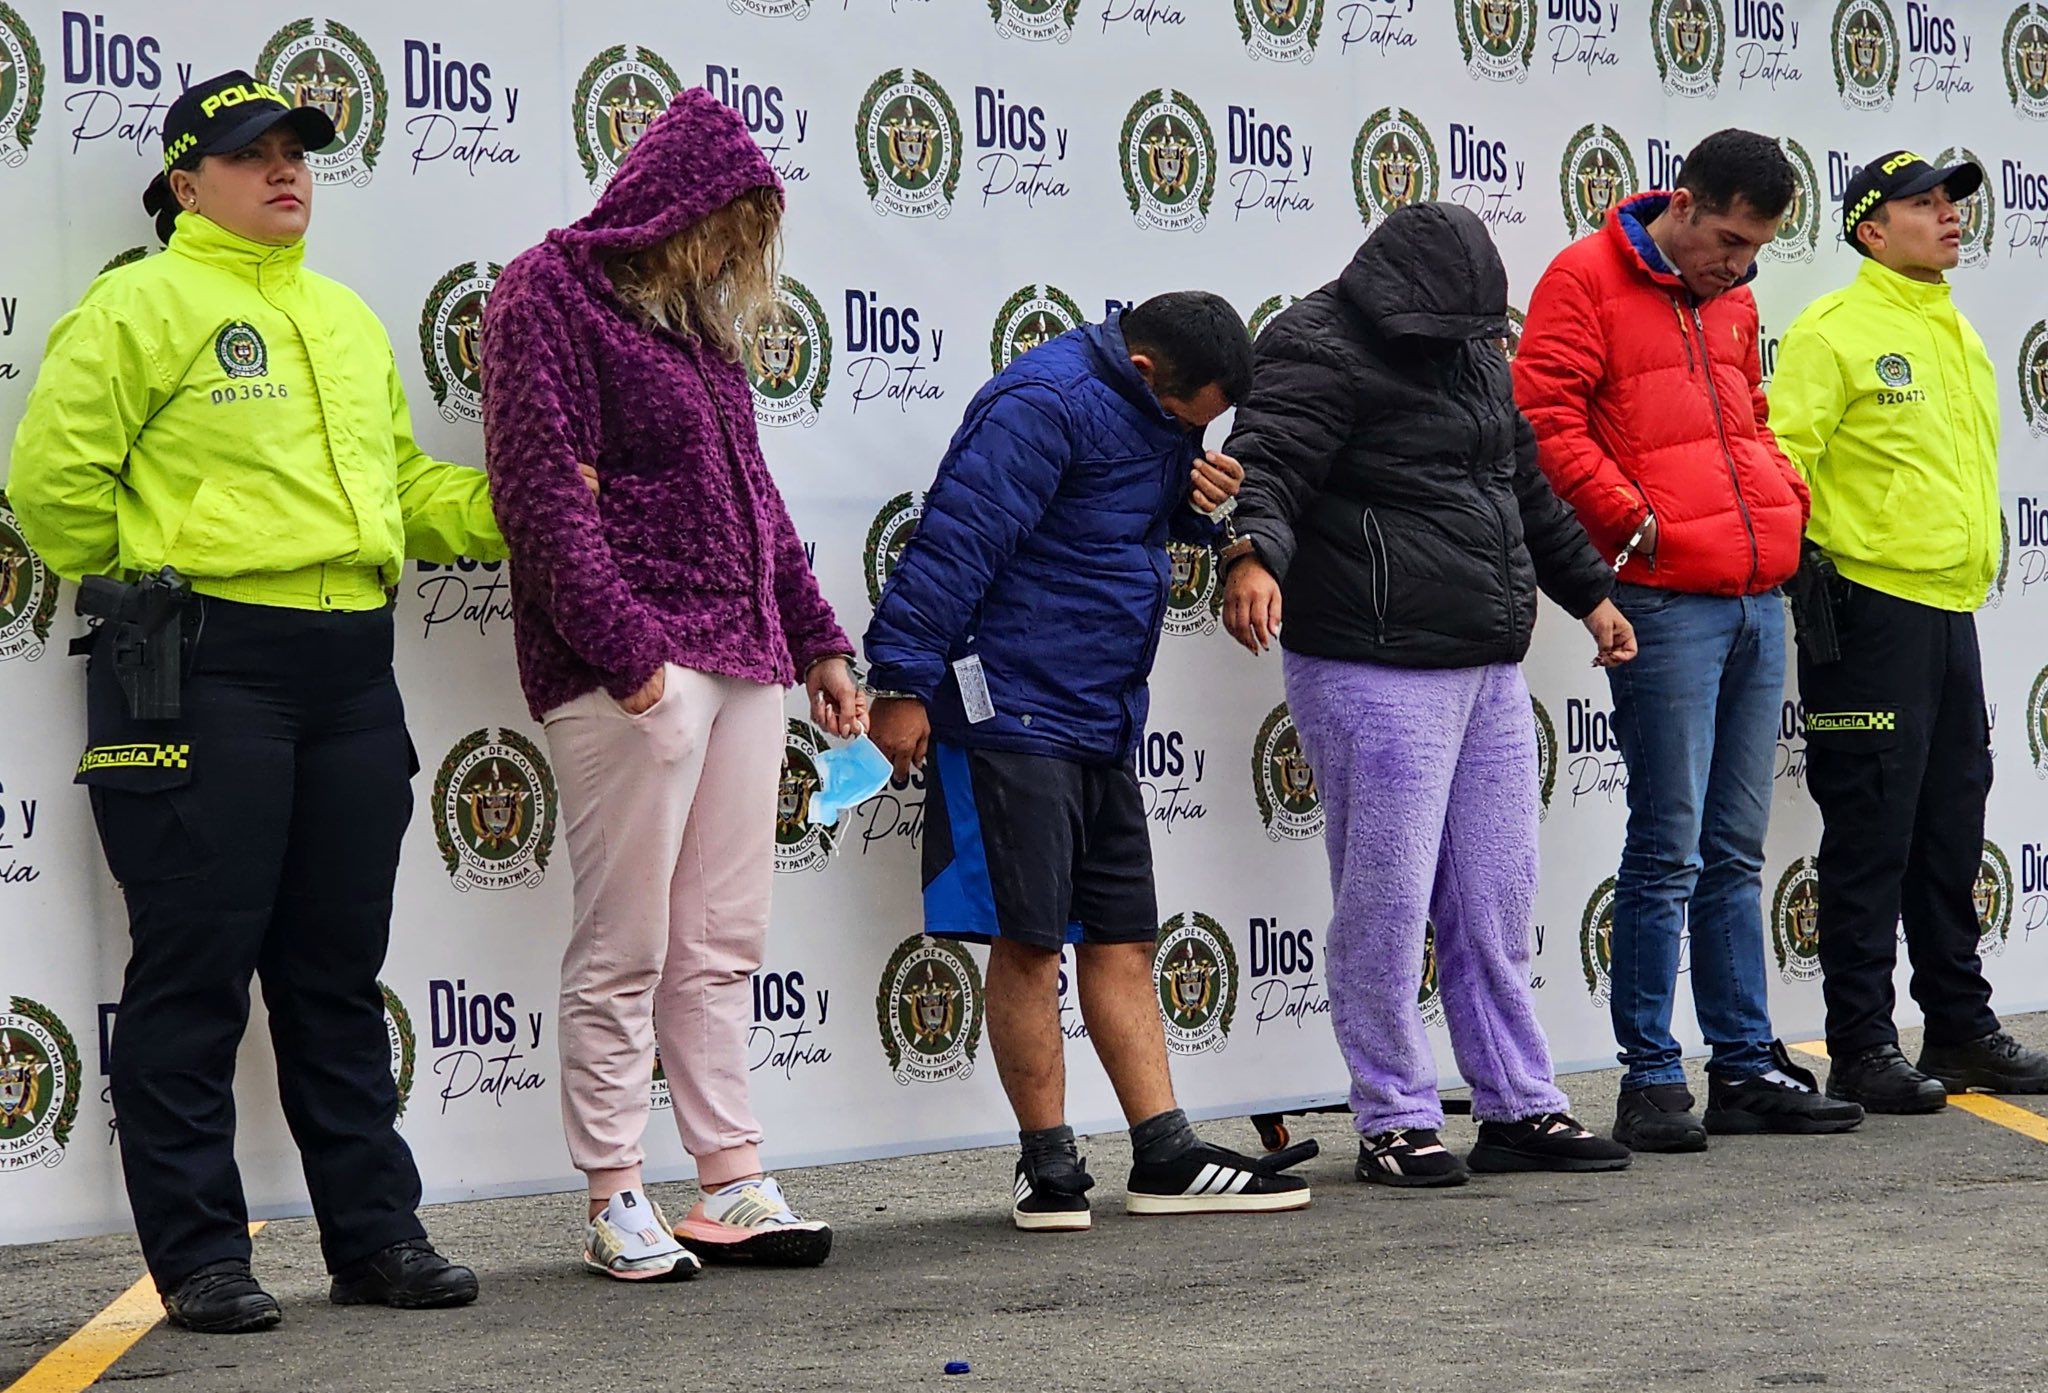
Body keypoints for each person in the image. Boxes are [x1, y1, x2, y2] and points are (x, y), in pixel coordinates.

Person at [7, 73, 491, 1332]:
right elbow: (55, 487)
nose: (286, 171)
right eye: (251, 154)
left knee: (336, 972)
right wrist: (166, 582)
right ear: (185, 185)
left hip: (348, 666)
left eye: (298, 152)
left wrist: (521, 509)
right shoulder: (138, 304)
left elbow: (399, 490)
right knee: (195, 969)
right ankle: (203, 1254)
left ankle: (375, 1236)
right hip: (202, 663)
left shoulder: (341, 317)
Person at [483, 90, 860, 1282]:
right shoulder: (546, 289)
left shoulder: (697, 328)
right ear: (670, 205)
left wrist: (818, 648)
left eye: (752, 236)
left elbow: (758, 505)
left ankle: (729, 1178)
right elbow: (539, 493)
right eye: (726, 227)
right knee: (625, 942)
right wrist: (629, 657)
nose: (737, 255)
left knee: (718, 939)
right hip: (632, 669)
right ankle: (610, 1191)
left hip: (742, 659)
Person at [863, 293, 1312, 1230]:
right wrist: (902, 683)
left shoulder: (1149, 410)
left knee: (1123, 937)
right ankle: (1049, 1167)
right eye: (1191, 420)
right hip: (1006, 710)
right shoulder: (1042, 402)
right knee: (1028, 941)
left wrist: (1203, 515)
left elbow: (1106, 526)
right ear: (1148, 374)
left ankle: (1165, 1153)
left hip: (1100, 712)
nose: (1197, 435)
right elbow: (952, 544)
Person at [1220, 203, 1637, 1187]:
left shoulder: (1474, 349)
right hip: (1368, 660)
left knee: (1493, 897)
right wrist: (1250, 554)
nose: (1467, 346)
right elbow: (1268, 463)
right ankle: (1393, 1116)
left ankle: (1518, 1104)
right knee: (1387, 901)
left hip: (1485, 662)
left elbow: (1522, 486)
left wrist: (1589, 594)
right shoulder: (1313, 341)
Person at [1512, 129, 1865, 1150]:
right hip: (1663, 594)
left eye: (1753, 249)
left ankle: (1745, 1065)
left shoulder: (1733, 294)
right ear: (1682, 202)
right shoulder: (1581, 277)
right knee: (1665, 845)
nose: (1735, 263)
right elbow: (1541, 420)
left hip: (1756, 590)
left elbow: (1747, 413)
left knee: (1731, 850)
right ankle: (1649, 1077)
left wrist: (1780, 500)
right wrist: (1634, 525)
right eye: (1723, 239)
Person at [1768, 151, 2048, 1111]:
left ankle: (1961, 1029)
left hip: (1948, 610)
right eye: (1923, 204)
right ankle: (1860, 1044)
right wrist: (1811, 581)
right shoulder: (1832, 331)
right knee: (1870, 826)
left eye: (1952, 203)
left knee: (1949, 823)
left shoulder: (1957, 331)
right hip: (1867, 612)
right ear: (1870, 230)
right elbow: (1783, 466)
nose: (1948, 216)